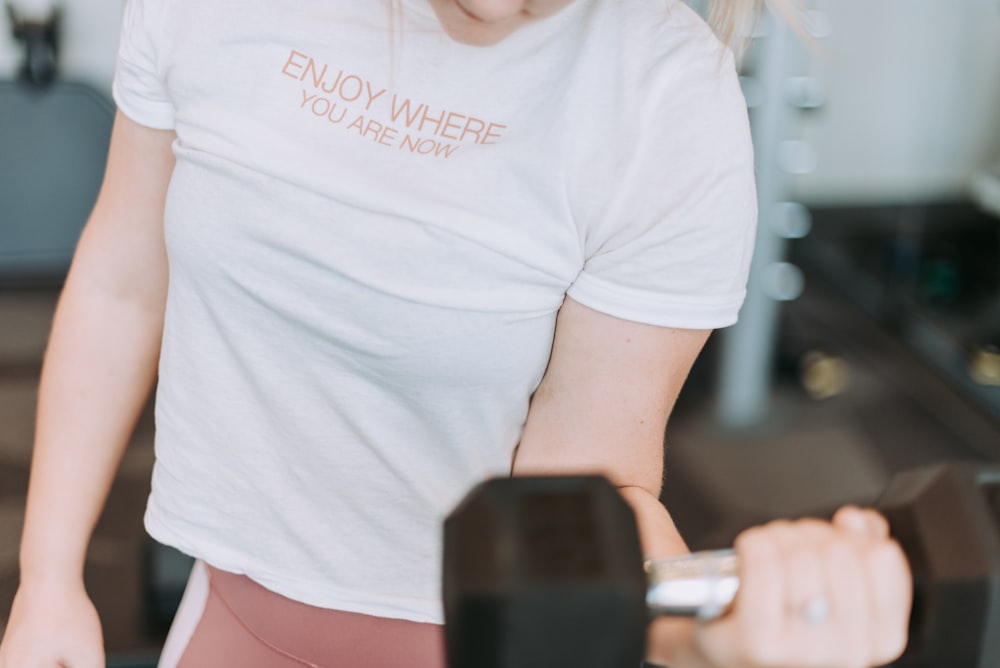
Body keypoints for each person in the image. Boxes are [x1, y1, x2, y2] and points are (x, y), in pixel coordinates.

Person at [0, 0, 912, 666]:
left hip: (487, 640)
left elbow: (588, 483)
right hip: (231, 611)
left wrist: (705, 636)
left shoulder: (664, 100)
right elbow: (123, 282)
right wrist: (46, 576)